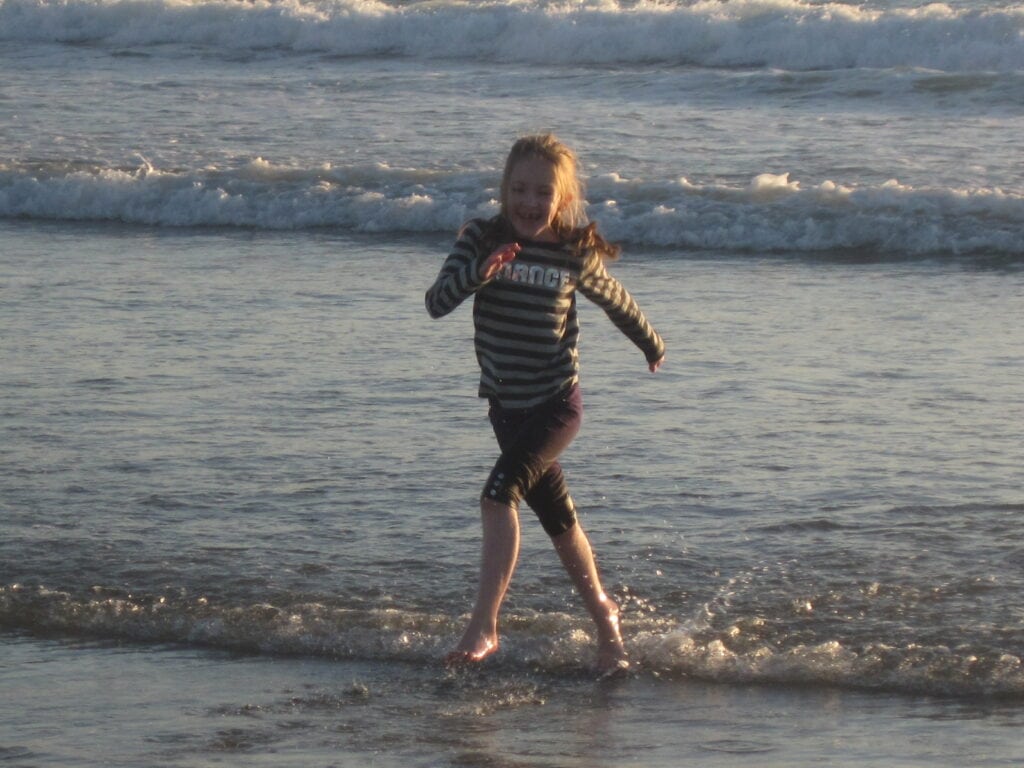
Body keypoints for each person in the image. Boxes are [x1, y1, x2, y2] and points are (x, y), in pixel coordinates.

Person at [425, 133, 665, 674]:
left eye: (541, 193)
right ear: (504, 189)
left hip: (556, 404)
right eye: (519, 189)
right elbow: (436, 303)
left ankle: (484, 625)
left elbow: (615, 300)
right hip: (505, 409)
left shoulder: (571, 252)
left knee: (496, 497)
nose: (529, 203)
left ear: (562, 198)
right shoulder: (480, 239)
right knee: (558, 520)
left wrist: (650, 342)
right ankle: (607, 622)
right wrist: (479, 274)